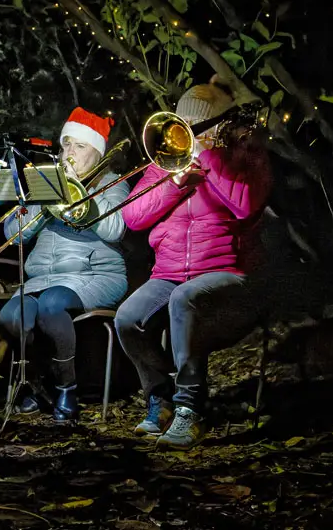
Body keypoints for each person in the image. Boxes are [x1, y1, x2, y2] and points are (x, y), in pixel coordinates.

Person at [114, 82, 272, 450]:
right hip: (168, 274)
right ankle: (162, 399)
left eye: (197, 126)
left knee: (184, 299)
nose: (188, 133)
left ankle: (191, 409)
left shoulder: (244, 158)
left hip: (226, 272)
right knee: (127, 319)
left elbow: (245, 206)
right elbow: (133, 216)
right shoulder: (166, 164)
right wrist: (175, 183)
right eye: (182, 124)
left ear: (220, 126)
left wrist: (209, 160)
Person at [0, 109, 131, 422]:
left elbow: (116, 230)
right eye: (66, 144)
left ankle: (66, 387)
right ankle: (36, 383)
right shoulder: (46, 182)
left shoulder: (112, 183)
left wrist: (84, 196)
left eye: (80, 146)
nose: (70, 152)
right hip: (44, 277)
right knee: (11, 315)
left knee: (52, 304)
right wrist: (43, 200)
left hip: (97, 274)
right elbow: (12, 234)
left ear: (97, 153)